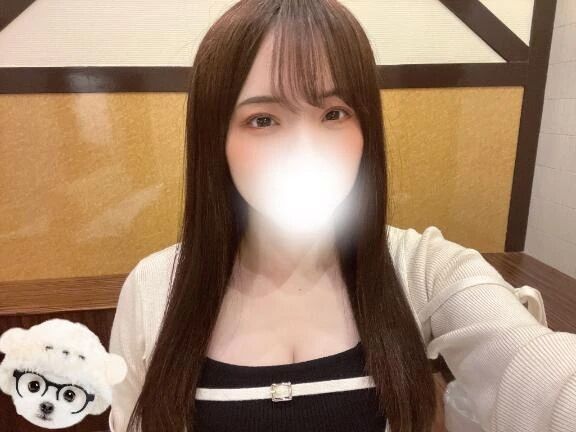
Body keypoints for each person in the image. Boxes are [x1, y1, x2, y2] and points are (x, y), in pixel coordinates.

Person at [108, 1, 576, 431]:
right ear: (217, 140)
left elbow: (532, 368)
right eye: (263, 119)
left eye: (334, 113)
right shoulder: (153, 289)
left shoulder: (423, 268)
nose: (305, 151)